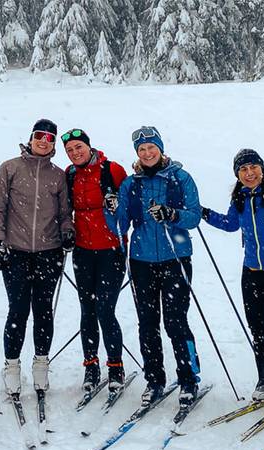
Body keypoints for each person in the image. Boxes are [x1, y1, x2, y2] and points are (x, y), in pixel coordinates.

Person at [106, 126, 202, 406]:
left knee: (176, 321)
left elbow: (194, 216)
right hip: (142, 260)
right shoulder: (131, 184)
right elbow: (120, 225)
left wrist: (171, 214)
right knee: (148, 324)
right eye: (142, 150)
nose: (147, 153)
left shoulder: (180, 178)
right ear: (137, 153)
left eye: (152, 148)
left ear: (160, 149)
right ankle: (154, 380)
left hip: (176, 257)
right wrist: (111, 209)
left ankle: (188, 378)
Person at [202, 149, 264, 410]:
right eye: (243, 169)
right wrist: (202, 213)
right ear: (237, 174)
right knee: (258, 329)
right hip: (253, 273)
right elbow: (230, 224)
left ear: (261, 167)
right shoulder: (241, 197)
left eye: (253, 167)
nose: (249, 173)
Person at [0, 119, 74, 397]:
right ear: (31, 137)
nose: (44, 141)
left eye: (50, 138)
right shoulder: (10, 167)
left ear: (53, 144)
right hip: (16, 252)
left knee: (43, 310)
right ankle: (12, 366)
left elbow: (64, 214)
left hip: (49, 253)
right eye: (40, 135)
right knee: (18, 310)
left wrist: (67, 233)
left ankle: (40, 364)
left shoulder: (58, 175)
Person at [62, 128, 128, 393]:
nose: (75, 153)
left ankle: (115, 366)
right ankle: (91, 366)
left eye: (79, 147)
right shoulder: (70, 175)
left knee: (105, 309)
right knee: (87, 310)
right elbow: (65, 209)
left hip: (111, 250)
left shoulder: (112, 170)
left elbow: (130, 205)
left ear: (89, 147)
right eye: (70, 150)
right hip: (83, 251)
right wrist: (66, 231)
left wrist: (117, 208)